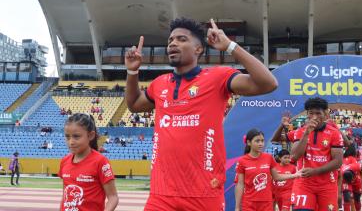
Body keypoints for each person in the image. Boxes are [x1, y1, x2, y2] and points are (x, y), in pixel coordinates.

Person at [125, 17, 278, 210]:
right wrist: (132, 73)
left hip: (204, 194)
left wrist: (231, 46)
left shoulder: (217, 77)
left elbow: (268, 83)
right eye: (170, 40)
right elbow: (133, 105)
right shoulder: (160, 83)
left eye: (181, 39)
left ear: (198, 49)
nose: (173, 43)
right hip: (161, 195)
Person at [291, 97, 344, 211]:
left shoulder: (334, 133)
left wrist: (315, 171)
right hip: (303, 184)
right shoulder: (300, 131)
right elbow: (294, 156)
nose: (314, 117)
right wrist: (306, 134)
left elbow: (338, 162)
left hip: (327, 185)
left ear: (325, 114)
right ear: (307, 114)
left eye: (318, 113)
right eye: (311, 113)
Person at [59, 113, 119, 211]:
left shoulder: (100, 161)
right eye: (67, 137)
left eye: (76, 136)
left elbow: (113, 197)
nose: (71, 142)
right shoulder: (64, 161)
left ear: (90, 135)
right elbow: (65, 197)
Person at [234, 129, 300, 211]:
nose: (261, 144)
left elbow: (277, 177)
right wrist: (237, 207)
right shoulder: (242, 161)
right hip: (249, 203)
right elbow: (240, 184)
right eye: (257, 141)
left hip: (266, 203)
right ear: (248, 142)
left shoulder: (268, 158)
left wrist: (295, 175)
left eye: (262, 141)